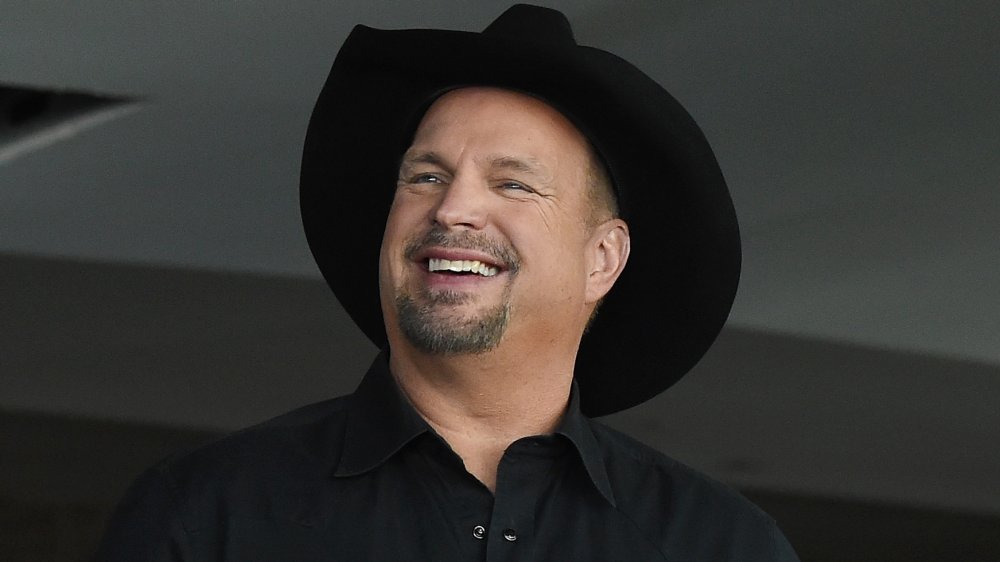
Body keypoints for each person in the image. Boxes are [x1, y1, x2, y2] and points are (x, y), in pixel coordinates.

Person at [96, 4, 800, 561]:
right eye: (426, 176)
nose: (453, 209)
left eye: (512, 184)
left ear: (602, 260)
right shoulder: (204, 514)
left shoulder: (720, 546)